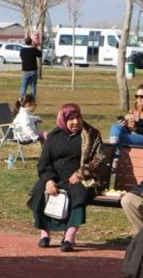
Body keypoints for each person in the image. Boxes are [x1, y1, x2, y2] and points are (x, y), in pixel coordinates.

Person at [27, 103, 106, 251]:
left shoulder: (91, 134)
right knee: (38, 192)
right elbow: (44, 162)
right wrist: (49, 180)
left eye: (78, 118)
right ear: (63, 119)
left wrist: (81, 174)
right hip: (55, 176)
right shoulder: (54, 136)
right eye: (71, 119)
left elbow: (99, 158)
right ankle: (44, 234)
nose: (76, 122)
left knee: (79, 193)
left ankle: (69, 237)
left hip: (79, 177)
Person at [19, 35, 42, 100]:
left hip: (25, 70)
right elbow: (40, 55)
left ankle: (23, 98)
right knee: (33, 86)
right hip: (33, 70)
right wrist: (36, 47)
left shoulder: (22, 50)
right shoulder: (34, 50)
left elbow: (21, 57)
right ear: (31, 42)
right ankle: (32, 99)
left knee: (24, 85)